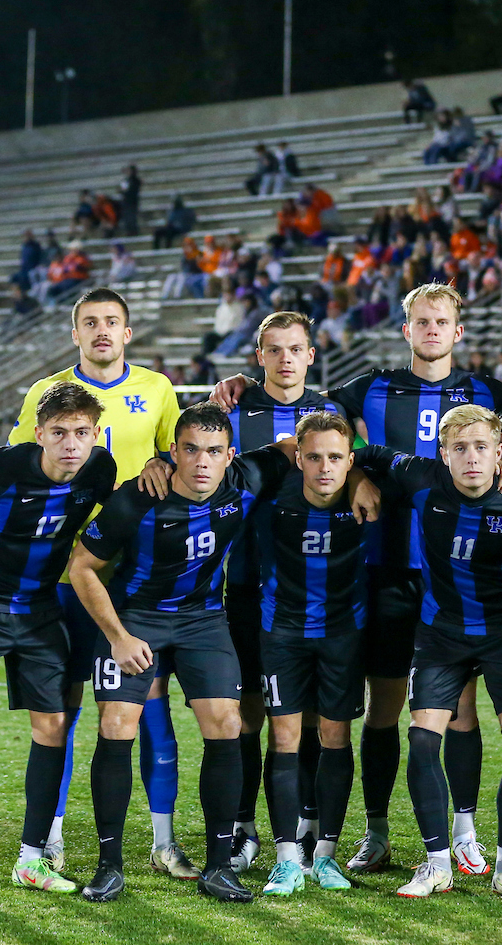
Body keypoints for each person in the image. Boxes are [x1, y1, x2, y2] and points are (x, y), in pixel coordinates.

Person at [210, 283, 502, 876]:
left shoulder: (485, 391)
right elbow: (319, 420)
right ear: (405, 328)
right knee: (376, 711)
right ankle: (374, 832)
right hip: (382, 572)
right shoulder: (368, 387)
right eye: (421, 320)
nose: (432, 329)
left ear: (458, 331)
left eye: (442, 321)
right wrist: (241, 387)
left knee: (456, 708)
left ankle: (464, 832)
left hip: (455, 582)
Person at [138, 311, 361, 878]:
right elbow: (192, 457)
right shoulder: (235, 407)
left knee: (309, 718)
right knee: (249, 717)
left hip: (313, 587)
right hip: (242, 585)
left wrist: (365, 479)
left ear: (312, 354)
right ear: (257, 356)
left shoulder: (333, 412)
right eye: (274, 349)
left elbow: (357, 462)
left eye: (296, 349)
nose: (285, 359)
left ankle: (308, 830)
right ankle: (243, 829)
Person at [69, 403, 298, 902]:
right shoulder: (137, 498)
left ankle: (219, 866)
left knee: (227, 724)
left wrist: (363, 477)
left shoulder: (247, 477)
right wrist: (118, 637)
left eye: (214, 452)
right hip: (135, 620)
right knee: (115, 727)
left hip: (202, 620)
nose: (201, 462)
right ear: (172, 453)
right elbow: (82, 567)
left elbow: (294, 446)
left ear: (229, 456)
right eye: (190, 449)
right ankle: (109, 866)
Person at [7, 288, 185, 877]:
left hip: (132, 578)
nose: (102, 330)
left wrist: (163, 460)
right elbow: (18, 473)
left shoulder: (158, 389)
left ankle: (164, 842)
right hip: (58, 577)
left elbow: (181, 460)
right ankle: (49, 837)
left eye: (112, 321)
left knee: (146, 706)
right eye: (90, 323)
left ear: (128, 333)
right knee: (61, 712)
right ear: (75, 333)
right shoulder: (45, 393)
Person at [355, 404, 502, 900]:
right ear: (442, 454)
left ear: (499, 453)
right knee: (423, 741)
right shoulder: (421, 478)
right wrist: (359, 474)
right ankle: (437, 864)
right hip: (440, 633)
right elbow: (369, 451)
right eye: (459, 448)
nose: (471, 458)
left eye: (482, 447)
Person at [0, 382, 116, 899]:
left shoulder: (100, 471)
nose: (71, 444)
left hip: (39, 612)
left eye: (81, 432)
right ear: (40, 434)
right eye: (59, 433)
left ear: (95, 435)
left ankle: (32, 859)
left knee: (54, 726)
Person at [246, 412, 373, 895]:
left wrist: (363, 478)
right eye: (314, 457)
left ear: (350, 462)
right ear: (297, 458)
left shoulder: (370, 497)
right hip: (281, 634)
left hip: (344, 635)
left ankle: (325, 856)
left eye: (336, 458)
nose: (325, 467)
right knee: (284, 739)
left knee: (336, 739)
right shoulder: (269, 498)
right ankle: (286, 859)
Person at [119, 165, 142, 236]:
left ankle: (133, 231)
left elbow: (131, 191)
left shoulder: (135, 180)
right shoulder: (127, 180)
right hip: (127, 201)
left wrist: (124, 191)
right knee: (127, 217)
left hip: (132, 201)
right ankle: (129, 231)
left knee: (131, 217)